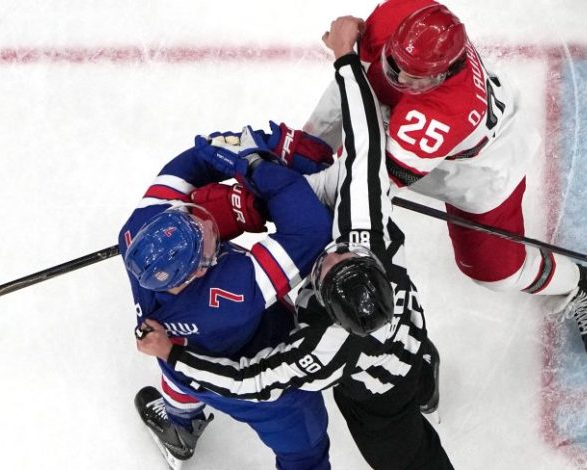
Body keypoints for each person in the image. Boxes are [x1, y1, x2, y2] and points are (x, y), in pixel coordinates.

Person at [136, 17, 454, 470]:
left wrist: (173, 354)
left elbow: (249, 381)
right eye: (344, 255)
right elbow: (366, 140)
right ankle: (424, 381)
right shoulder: (367, 232)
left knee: (407, 459)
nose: (331, 252)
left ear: (328, 307)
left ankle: (418, 385)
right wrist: (345, 58)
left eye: (323, 271)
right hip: (409, 331)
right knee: (413, 356)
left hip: (377, 393)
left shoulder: (323, 349)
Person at [302, 0, 587, 361]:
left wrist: (298, 187)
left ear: (445, 73)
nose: (402, 80)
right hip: (421, 140)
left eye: (417, 78)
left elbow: (367, 180)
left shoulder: (441, 114)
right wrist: (304, 149)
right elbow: (356, 84)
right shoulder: (406, 14)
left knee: (495, 272)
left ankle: (583, 282)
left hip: (481, 171)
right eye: (397, 65)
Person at [118, 129, 335, 469]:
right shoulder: (232, 295)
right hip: (260, 383)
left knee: (178, 373)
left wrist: (219, 152)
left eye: (190, 217)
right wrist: (257, 169)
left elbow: (186, 168)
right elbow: (310, 231)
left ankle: (179, 426)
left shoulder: (136, 229)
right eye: (201, 239)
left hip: (178, 355)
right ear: (194, 273)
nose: (206, 225)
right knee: (303, 448)